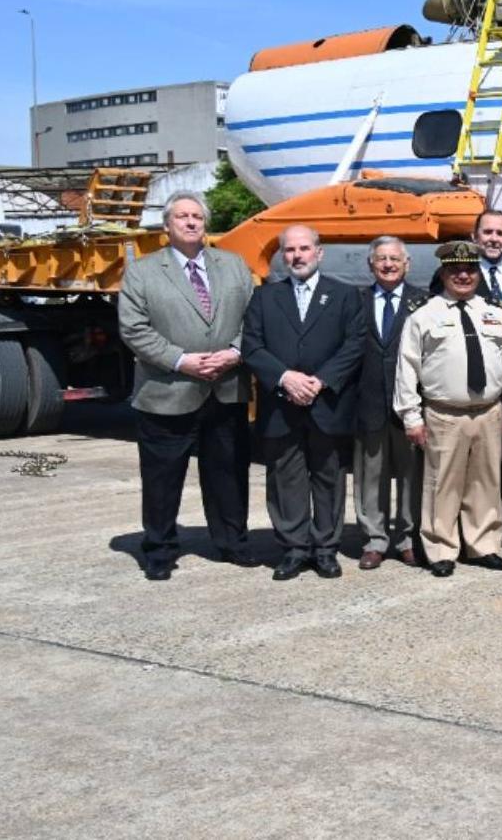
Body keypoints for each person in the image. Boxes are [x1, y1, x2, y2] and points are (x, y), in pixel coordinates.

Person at [116, 190, 254, 581]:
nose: (191, 222)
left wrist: (234, 352)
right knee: (162, 479)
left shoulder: (234, 266)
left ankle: (232, 542)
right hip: (167, 389)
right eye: (182, 217)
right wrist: (181, 360)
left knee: (228, 472)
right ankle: (159, 550)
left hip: (226, 387)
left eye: (197, 216)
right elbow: (134, 329)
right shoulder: (142, 272)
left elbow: (254, 318)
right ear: (167, 226)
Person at [394, 241, 502, 577]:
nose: (463, 276)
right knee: (442, 484)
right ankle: (440, 549)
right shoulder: (424, 316)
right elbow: (406, 369)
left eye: (470, 269)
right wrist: (411, 416)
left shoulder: (496, 312)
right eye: (455, 270)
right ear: (443, 273)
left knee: (486, 483)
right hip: (444, 414)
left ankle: (483, 545)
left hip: (489, 412)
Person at [241, 225, 367, 580]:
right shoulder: (265, 297)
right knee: (286, 478)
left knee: (329, 477)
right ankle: (294, 548)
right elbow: (252, 345)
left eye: (304, 249)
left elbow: (354, 344)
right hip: (281, 405)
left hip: (326, 403)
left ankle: (326, 548)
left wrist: (322, 380)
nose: (297, 256)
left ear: (319, 252)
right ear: (283, 255)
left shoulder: (344, 295)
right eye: (290, 250)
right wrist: (285, 378)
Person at [352, 237, 429, 570]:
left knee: (414, 475)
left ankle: (409, 538)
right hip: (367, 401)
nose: (387, 264)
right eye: (381, 259)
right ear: (371, 264)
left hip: (410, 404)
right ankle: (375, 540)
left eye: (394, 259)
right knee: (371, 475)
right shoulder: (355, 301)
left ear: (407, 263)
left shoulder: (423, 302)